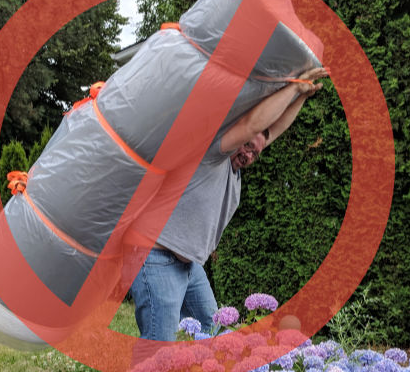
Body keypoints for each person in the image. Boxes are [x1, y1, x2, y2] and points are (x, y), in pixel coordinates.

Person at [126, 66, 328, 342]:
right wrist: (293, 87)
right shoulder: (212, 152)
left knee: (215, 334)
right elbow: (251, 126)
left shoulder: (235, 172)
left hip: (189, 266)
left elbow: (271, 130)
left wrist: (303, 96)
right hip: (157, 258)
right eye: (245, 146)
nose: (248, 153)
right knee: (157, 349)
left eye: (254, 152)